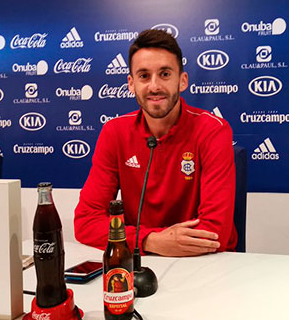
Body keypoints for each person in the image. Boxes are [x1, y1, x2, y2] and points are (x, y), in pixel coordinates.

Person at [74, 29, 237, 256]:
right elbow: (86, 222)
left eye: (165, 74)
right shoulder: (114, 132)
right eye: (143, 76)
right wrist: (150, 240)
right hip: (141, 259)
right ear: (131, 84)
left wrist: (138, 239)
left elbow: (214, 231)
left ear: (182, 81)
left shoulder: (213, 131)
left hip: (204, 262)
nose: (154, 86)